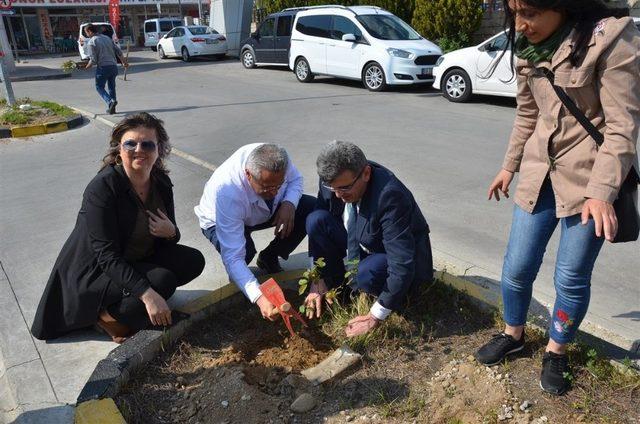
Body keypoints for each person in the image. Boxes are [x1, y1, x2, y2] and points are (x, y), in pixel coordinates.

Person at [475, 0, 639, 395]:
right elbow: (527, 116)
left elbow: (621, 127)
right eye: (514, 12)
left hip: (588, 182)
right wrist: (508, 166)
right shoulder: (529, 51)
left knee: (570, 276)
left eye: (529, 12)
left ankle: (557, 350)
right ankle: (514, 334)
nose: (521, 24)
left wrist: (601, 194)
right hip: (537, 174)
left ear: (564, 6)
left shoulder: (612, 40)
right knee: (516, 266)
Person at [31, 113, 205, 343]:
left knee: (193, 260)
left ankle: (128, 304)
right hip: (97, 271)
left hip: (134, 258)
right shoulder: (102, 188)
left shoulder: (160, 183)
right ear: (119, 149)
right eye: (130, 143)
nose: (139, 149)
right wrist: (148, 294)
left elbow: (170, 237)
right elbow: (106, 256)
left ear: (159, 149)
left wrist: (171, 231)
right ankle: (105, 315)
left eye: (148, 144)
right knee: (162, 282)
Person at [304, 141, 433, 337]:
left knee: (366, 273)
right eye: (333, 189)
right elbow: (319, 224)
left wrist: (375, 317)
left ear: (365, 173)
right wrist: (317, 276)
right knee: (316, 220)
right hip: (361, 241)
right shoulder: (333, 181)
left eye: (344, 188)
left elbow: (401, 264)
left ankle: (378, 295)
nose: (338, 195)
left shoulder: (390, 196)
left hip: (390, 254)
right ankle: (339, 288)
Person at [195, 143, 316, 320]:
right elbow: (233, 257)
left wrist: (289, 203)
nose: (274, 193)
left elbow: (296, 179)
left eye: (278, 185)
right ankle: (243, 294)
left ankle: (269, 257)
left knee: (309, 208)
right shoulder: (227, 192)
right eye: (267, 187)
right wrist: (259, 297)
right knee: (243, 255)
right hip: (221, 219)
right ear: (248, 174)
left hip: (261, 211)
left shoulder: (279, 159)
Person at [84, 24, 128, 115]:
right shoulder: (107, 38)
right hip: (113, 67)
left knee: (99, 87)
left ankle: (110, 102)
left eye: (86, 33)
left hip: (103, 68)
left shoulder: (91, 42)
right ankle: (112, 109)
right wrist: (124, 62)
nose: (86, 35)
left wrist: (86, 67)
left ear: (89, 31)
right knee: (111, 87)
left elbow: (94, 60)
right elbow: (118, 51)